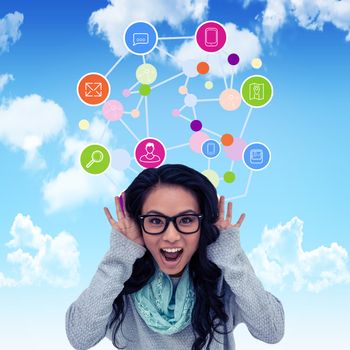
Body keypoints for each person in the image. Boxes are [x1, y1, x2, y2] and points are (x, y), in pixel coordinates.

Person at [65, 164, 285, 350]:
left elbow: (272, 330)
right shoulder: (119, 281)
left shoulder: (222, 280)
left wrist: (231, 256)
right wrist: (119, 256)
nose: (171, 236)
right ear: (138, 223)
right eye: (155, 221)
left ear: (203, 224)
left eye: (187, 220)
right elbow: (80, 337)